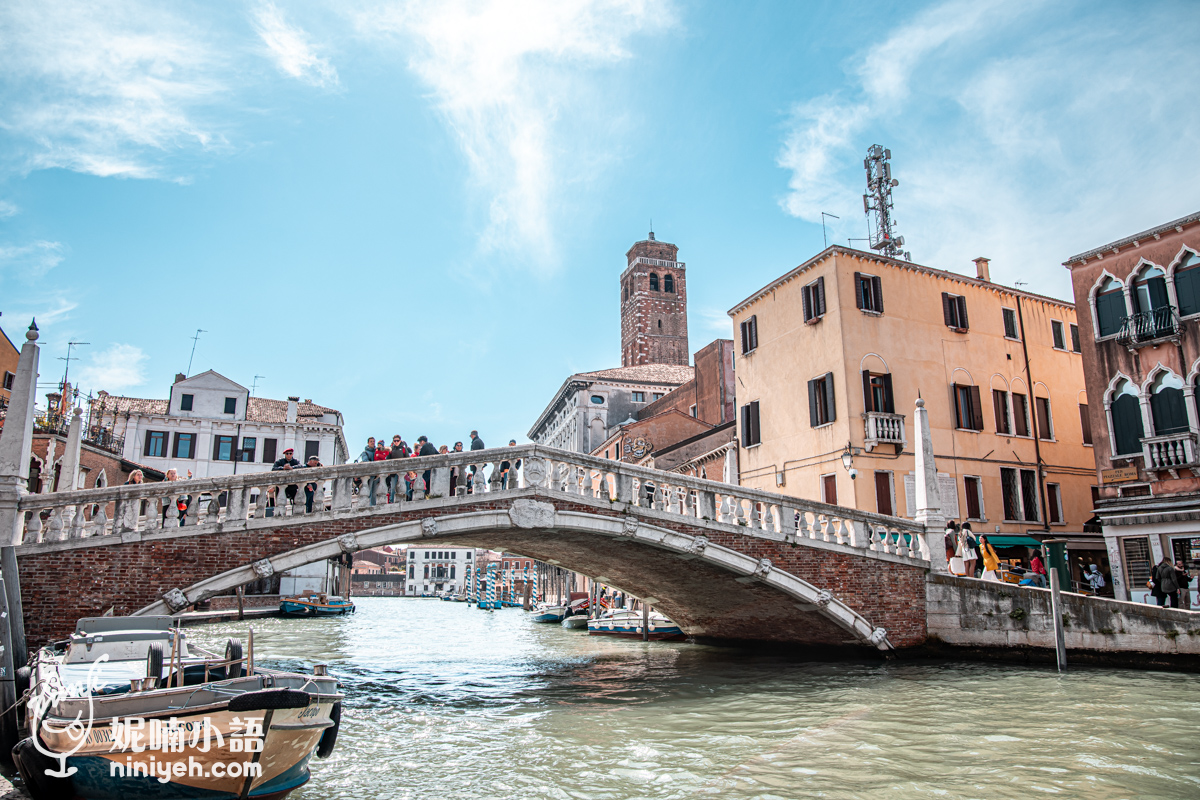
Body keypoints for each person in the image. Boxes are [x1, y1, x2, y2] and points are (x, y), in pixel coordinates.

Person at [385, 435, 409, 502]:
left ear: (400, 441)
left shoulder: (404, 449)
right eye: (395, 441)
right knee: (393, 488)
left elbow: (408, 459)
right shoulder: (391, 449)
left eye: (397, 441)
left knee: (402, 486)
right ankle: (392, 500)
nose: (396, 442)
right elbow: (387, 460)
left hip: (402, 471)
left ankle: (403, 500)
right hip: (393, 472)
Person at [356, 437, 379, 506]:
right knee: (369, 490)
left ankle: (373, 505)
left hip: (376, 474)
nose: (372, 443)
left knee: (375, 491)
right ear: (368, 443)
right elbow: (366, 461)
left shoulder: (377, 452)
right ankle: (368, 505)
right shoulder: (365, 453)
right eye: (371, 441)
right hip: (369, 475)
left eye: (373, 441)